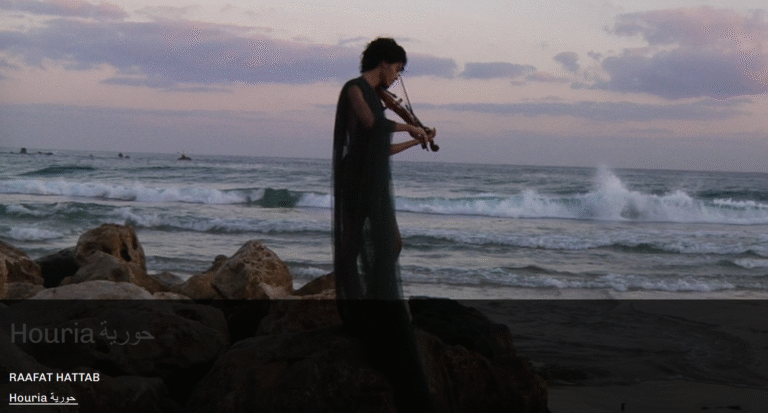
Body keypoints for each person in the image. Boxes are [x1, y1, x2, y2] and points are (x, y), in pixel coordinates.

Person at [332, 37, 437, 412]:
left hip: (370, 176)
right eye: (398, 69)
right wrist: (409, 128)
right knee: (355, 244)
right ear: (384, 62)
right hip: (356, 178)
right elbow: (372, 126)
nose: (397, 79)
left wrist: (415, 138)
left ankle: (374, 305)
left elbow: (380, 146)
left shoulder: (376, 96)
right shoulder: (355, 89)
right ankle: (358, 307)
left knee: (389, 244)